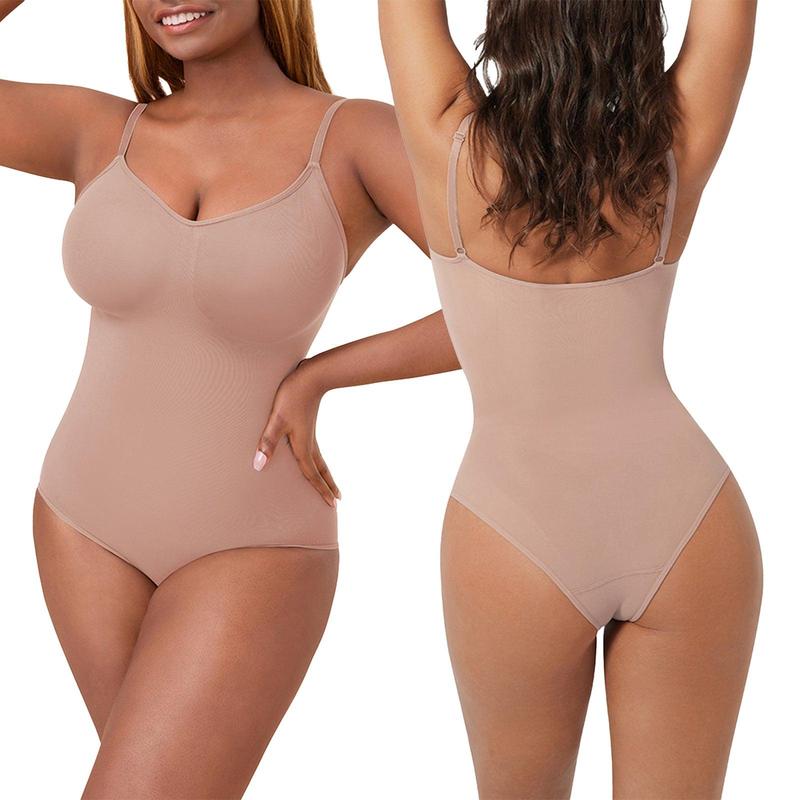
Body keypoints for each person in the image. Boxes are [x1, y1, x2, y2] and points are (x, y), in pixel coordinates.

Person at [267, 1, 763, 797]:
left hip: (514, 531)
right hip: (690, 519)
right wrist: (319, 374)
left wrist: (316, 373)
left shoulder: (446, 139)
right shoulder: (672, 149)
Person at [1, 1, 458, 796]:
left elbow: (521, 299)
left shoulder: (351, 138)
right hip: (81, 527)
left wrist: (325, 374)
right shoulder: (97, 129)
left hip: (254, 543)